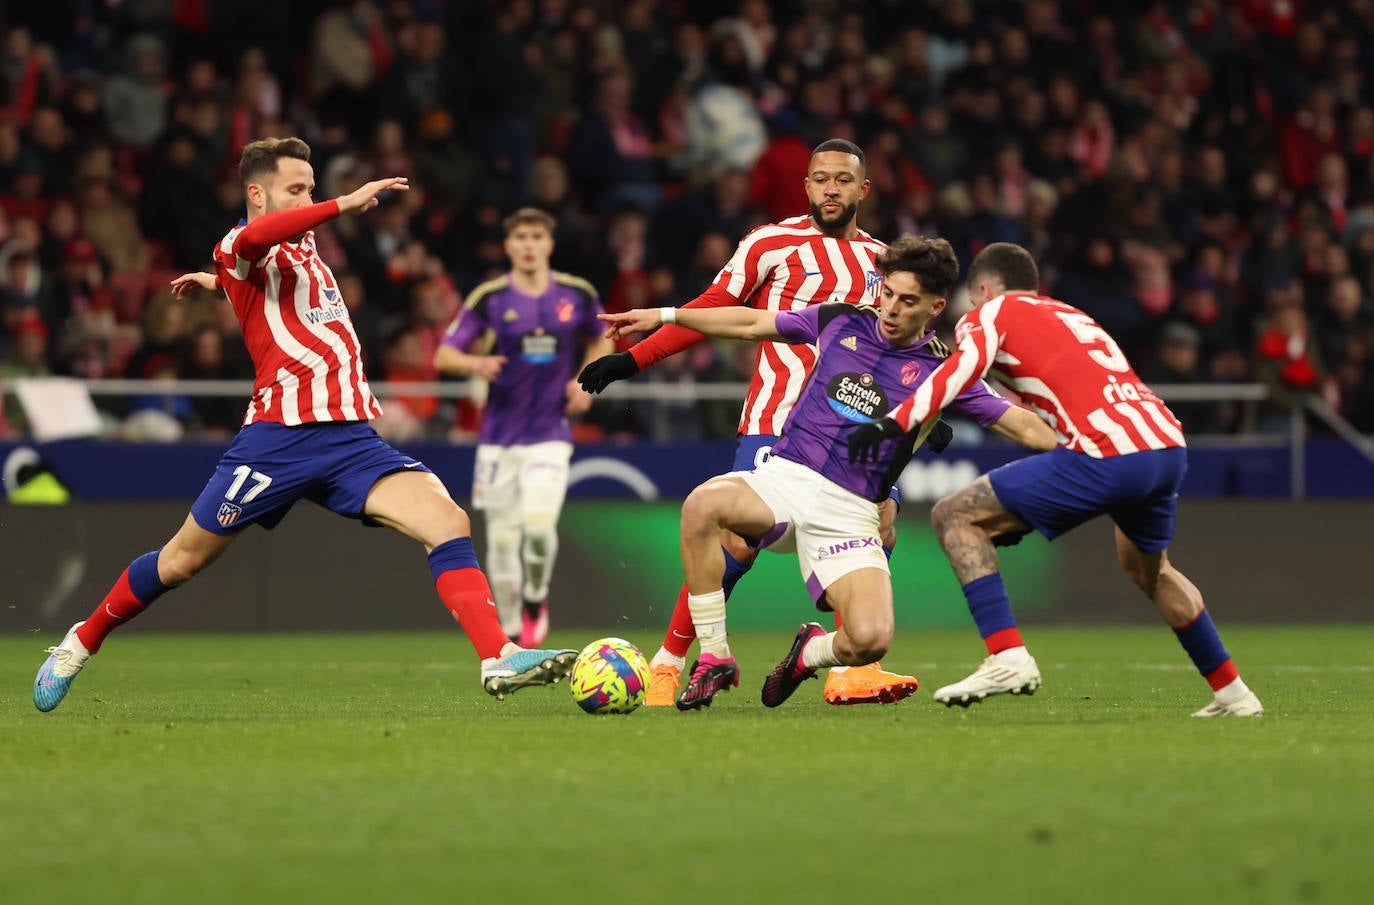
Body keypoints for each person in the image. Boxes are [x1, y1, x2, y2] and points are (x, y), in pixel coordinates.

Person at [32, 137, 577, 713]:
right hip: (279, 439)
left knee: (447, 519)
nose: (309, 200)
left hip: (348, 436)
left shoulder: (298, 245)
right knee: (180, 562)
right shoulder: (238, 241)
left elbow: (269, 278)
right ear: (256, 193)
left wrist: (222, 285)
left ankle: (498, 655)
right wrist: (340, 203)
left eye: (312, 190)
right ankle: (79, 642)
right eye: (296, 189)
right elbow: (253, 244)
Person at [598, 235, 1057, 710]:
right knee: (701, 505)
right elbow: (751, 321)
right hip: (786, 478)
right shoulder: (842, 319)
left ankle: (809, 653)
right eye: (888, 294)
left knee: (870, 639)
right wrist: (667, 316)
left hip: (852, 511)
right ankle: (714, 655)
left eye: (908, 301)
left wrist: (1085, 443)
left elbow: (1017, 421)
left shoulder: (948, 369)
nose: (891, 309)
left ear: (935, 307)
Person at [580, 138, 938, 707]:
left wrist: (929, 403)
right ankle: (671, 662)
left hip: (853, 434)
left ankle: (850, 665)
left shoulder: (886, 265)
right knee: (737, 542)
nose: (830, 189)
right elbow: (716, 310)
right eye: (820, 178)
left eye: (843, 180)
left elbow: (910, 341)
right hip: (777, 419)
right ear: (805, 185)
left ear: (863, 190)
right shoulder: (770, 242)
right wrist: (634, 358)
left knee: (883, 523)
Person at [847, 242, 1263, 717]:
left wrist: (896, 421)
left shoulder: (991, 312)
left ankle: (1006, 656)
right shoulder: (1071, 315)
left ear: (983, 289)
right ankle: (1233, 693)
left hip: (1106, 450)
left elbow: (961, 372)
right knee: (1151, 570)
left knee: (954, 514)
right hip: (1164, 444)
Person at [433, 207, 613, 645]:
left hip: (550, 434)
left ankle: (536, 596)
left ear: (549, 244)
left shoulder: (577, 293)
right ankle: (511, 634)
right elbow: (444, 355)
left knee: (536, 527)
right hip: (497, 439)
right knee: (500, 541)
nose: (529, 245)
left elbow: (604, 334)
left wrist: (586, 379)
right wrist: (476, 362)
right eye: (521, 237)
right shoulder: (490, 298)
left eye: (536, 237)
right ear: (508, 245)